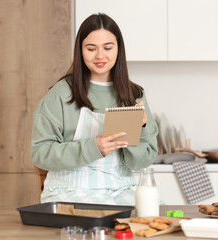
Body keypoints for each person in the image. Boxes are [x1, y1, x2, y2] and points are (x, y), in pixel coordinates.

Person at [31, 13, 158, 205]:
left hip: (121, 192)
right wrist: (93, 148)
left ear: (118, 49)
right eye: (91, 48)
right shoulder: (61, 94)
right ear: (81, 51)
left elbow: (140, 162)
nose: (100, 56)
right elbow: (40, 153)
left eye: (108, 48)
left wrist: (141, 128)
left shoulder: (134, 95)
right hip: (68, 191)